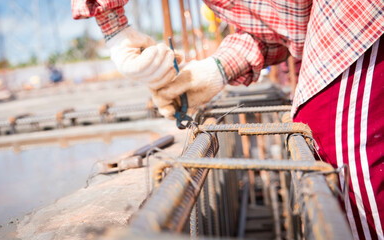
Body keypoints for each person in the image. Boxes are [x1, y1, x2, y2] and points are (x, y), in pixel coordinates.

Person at [71, 0, 383, 239]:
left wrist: (114, 27)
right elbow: (280, 21)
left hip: (355, 16)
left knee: (334, 138)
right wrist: (215, 70)